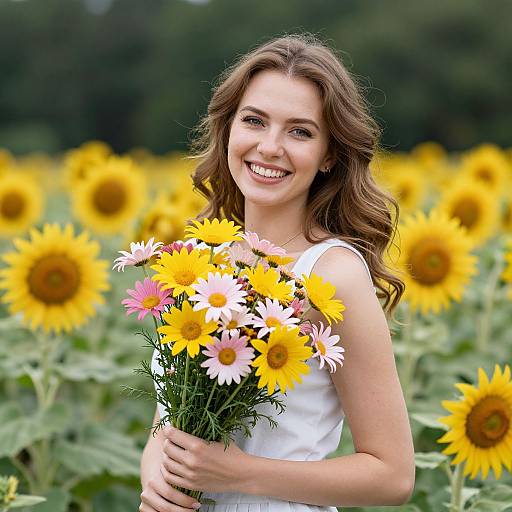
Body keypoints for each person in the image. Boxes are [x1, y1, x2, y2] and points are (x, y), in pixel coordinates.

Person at [140, 33, 415, 512]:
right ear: (229, 129)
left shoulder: (333, 274)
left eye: (300, 131)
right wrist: (156, 470)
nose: (270, 147)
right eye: (254, 121)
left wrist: (240, 474)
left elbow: (392, 476)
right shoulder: (204, 259)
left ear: (330, 154)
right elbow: (169, 419)